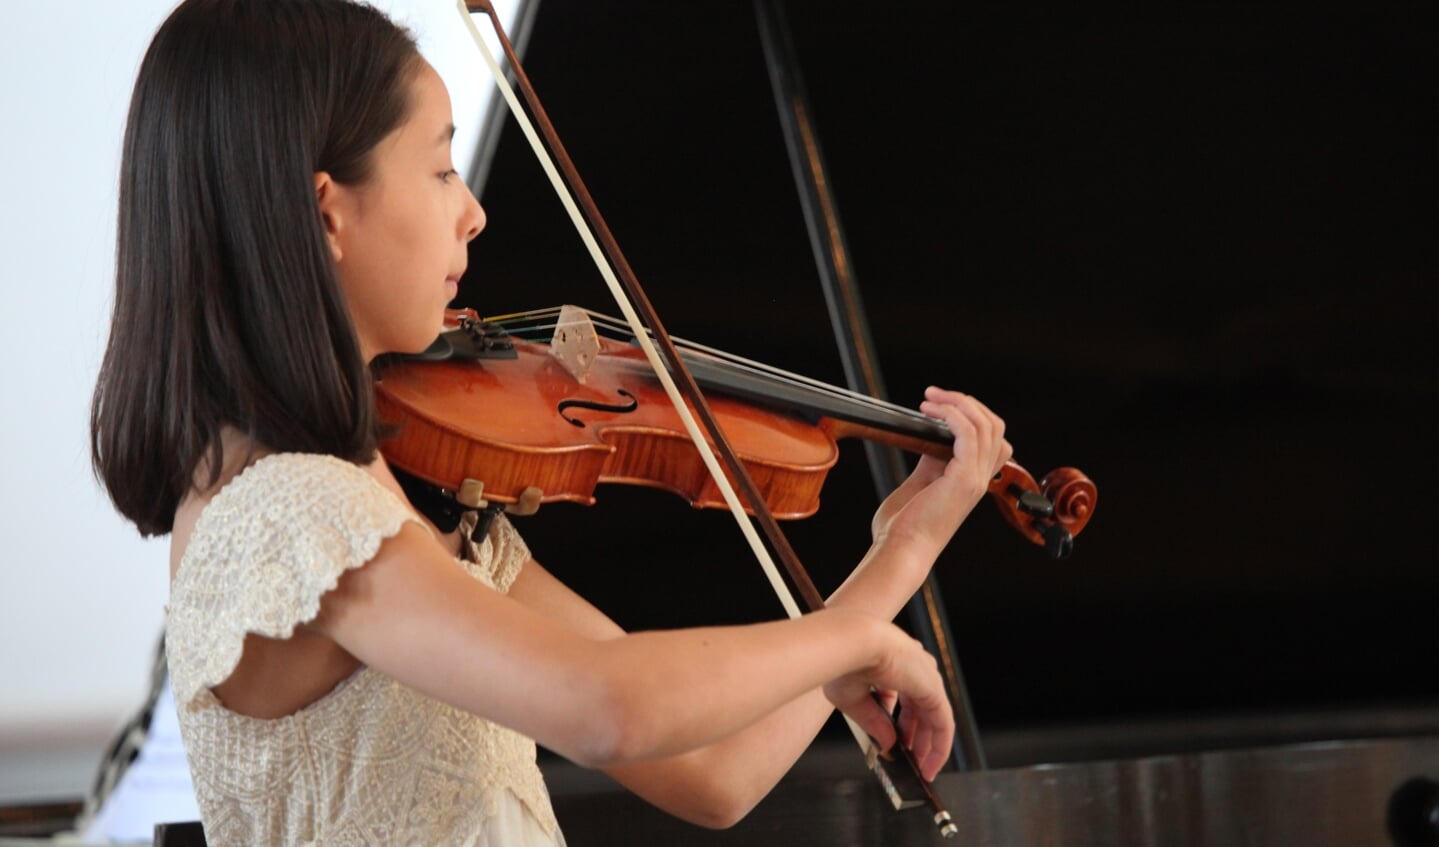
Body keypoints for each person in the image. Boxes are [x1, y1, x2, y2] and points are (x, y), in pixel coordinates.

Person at [88, 0, 1013, 844]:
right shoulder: (294, 518)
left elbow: (710, 774)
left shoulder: (379, 506)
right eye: (442, 169)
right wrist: (855, 641)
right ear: (325, 210)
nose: (475, 211)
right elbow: (603, 706)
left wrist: (900, 556)